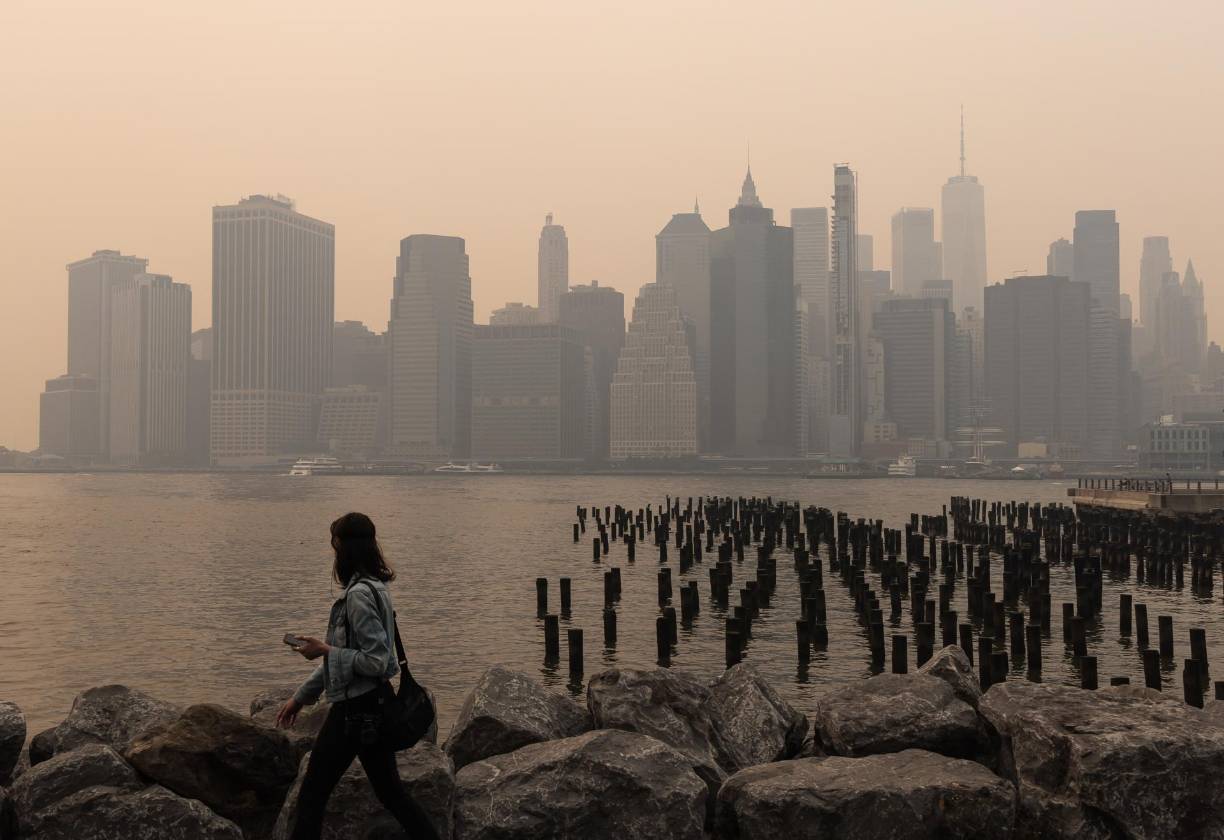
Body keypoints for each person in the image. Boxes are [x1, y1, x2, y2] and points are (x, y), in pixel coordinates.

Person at [275, 512, 438, 840]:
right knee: (391, 794)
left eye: (335, 545)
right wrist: (301, 697)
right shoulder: (376, 587)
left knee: (312, 795)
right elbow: (344, 656)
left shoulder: (358, 595)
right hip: (374, 706)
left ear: (346, 549)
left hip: (355, 711)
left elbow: (376, 661)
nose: (333, 553)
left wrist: (324, 650)